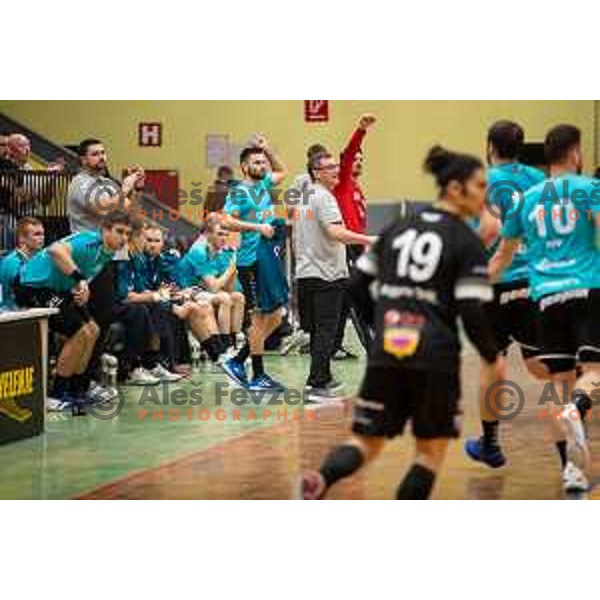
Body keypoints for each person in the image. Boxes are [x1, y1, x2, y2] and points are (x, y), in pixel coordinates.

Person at [302, 146, 501, 500]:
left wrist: (384, 323)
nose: (485, 195)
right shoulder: (463, 240)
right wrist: (491, 355)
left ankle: (321, 478)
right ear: (455, 189)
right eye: (479, 186)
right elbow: (471, 311)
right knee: (429, 453)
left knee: (365, 442)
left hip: (388, 350)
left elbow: (356, 286)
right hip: (435, 356)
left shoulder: (397, 229)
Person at [489, 124, 600, 493]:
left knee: (558, 383)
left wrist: (467, 286)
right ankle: (578, 408)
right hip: (585, 291)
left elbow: (502, 257)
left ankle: (570, 468)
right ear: (575, 152)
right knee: (595, 371)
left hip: (545, 298)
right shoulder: (589, 189)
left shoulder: (527, 199)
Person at [464, 120, 547, 468]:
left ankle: (491, 444)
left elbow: (484, 233)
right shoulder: (539, 180)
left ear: (489, 146)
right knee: (540, 364)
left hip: (495, 283)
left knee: (493, 362)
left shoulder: (482, 182)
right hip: (534, 280)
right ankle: (588, 380)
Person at [15, 211, 133, 412]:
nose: (123, 238)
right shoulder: (88, 241)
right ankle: (56, 394)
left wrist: (80, 289)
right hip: (33, 286)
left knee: (93, 330)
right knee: (80, 331)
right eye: (119, 231)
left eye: (127, 234)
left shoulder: (109, 251)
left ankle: (78, 388)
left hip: (58, 290)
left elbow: (81, 276)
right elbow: (55, 250)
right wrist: (80, 279)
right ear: (105, 230)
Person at [294, 151, 374, 400]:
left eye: (336, 166)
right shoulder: (324, 198)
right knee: (327, 331)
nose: (336, 171)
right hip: (326, 274)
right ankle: (316, 384)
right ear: (316, 172)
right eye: (330, 167)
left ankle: (324, 377)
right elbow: (334, 232)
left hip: (306, 273)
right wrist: (368, 239)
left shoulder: (304, 197)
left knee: (319, 331)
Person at [220, 135, 290, 391]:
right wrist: (256, 226)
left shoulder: (264, 185)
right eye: (256, 162)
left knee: (276, 316)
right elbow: (225, 220)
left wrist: (267, 149)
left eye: (263, 162)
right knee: (260, 318)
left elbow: (282, 170)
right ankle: (258, 375)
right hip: (251, 261)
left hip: (267, 258)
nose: (262, 166)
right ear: (244, 167)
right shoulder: (239, 191)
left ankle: (238, 360)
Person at [332, 114, 377, 359]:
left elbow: (359, 222)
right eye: (354, 160)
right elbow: (347, 154)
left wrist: (365, 245)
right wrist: (360, 131)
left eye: (361, 160)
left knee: (346, 299)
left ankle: (333, 345)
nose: (357, 162)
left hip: (358, 247)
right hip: (345, 246)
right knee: (355, 295)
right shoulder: (342, 183)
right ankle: (372, 348)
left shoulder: (358, 188)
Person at [176, 214, 245, 355]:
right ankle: (225, 346)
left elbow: (229, 288)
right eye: (220, 234)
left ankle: (234, 341)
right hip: (187, 290)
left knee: (238, 297)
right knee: (225, 298)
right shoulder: (199, 251)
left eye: (226, 234)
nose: (224, 238)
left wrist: (233, 269)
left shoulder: (218, 251)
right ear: (209, 233)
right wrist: (230, 270)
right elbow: (214, 287)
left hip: (203, 290)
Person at [0, 217, 45, 309]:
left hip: (34, 308)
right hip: (14, 313)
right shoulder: (11, 262)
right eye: (37, 234)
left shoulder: (41, 257)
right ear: (22, 239)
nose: (42, 238)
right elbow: (27, 288)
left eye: (43, 234)